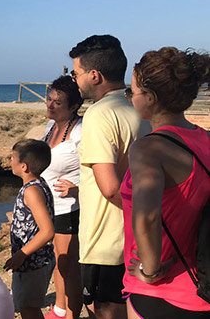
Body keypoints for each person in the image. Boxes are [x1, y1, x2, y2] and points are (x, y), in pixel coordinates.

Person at [121, 47, 210, 318]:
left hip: (161, 292)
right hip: (201, 286)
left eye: (132, 91)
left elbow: (147, 216)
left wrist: (150, 269)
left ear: (149, 98)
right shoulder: (204, 139)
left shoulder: (149, 149)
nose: (131, 97)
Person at [69, 35, 150, 319]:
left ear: (94, 75)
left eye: (76, 73)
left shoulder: (99, 115)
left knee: (105, 311)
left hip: (105, 242)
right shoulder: (140, 111)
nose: (75, 80)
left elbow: (110, 188)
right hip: (138, 240)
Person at [41, 76, 84, 319]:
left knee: (70, 268)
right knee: (58, 261)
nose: (50, 105)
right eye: (49, 99)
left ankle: (71, 315)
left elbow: (97, 170)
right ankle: (59, 308)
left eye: (57, 102)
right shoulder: (50, 127)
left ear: (74, 106)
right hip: (48, 207)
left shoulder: (81, 131)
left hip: (70, 208)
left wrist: (78, 190)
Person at [5, 139, 56, 319]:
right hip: (35, 260)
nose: (10, 160)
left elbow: (48, 231)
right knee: (27, 306)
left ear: (24, 166)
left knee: (29, 308)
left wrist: (21, 255)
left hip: (33, 262)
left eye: (12, 157)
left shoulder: (31, 191)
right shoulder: (38, 184)